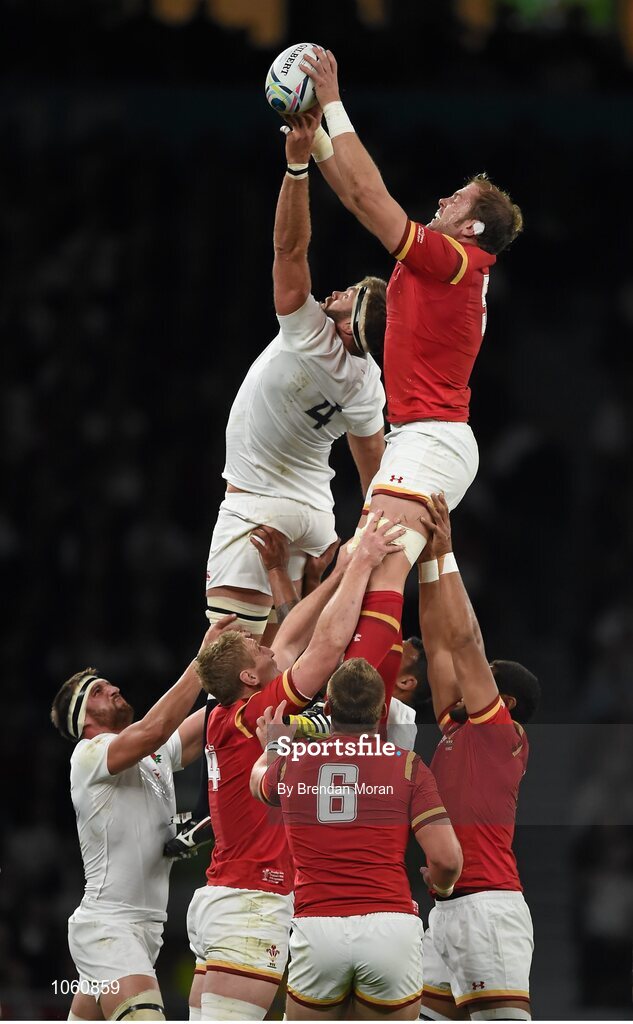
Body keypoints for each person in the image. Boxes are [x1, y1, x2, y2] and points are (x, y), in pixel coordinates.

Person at [298, 48, 524, 677]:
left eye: (459, 199)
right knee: (368, 568)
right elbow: (355, 196)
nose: (444, 199)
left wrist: (333, 102)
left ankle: (358, 709)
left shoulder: (455, 261)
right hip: (422, 439)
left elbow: (369, 196)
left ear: (473, 227)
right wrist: (315, 141)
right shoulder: (449, 264)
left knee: (374, 568)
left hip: (433, 437)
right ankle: (365, 703)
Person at [186, 515, 404, 1021]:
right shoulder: (255, 716)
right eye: (256, 648)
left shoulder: (223, 715)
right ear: (248, 677)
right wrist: (361, 562)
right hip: (253, 900)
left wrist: (330, 575)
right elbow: (323, 649)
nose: (268, 644)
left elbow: (288, 642)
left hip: (225, 894)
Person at [205, 111, 387, 637]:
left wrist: (297, 167)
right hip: (314, 519)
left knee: (224, 660)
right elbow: (374, 477)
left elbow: (289, 248)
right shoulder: (369, 384)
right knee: (279, 655)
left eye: (351, 295)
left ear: (350, 328)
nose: (339, 291)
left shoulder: (311, 333)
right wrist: (362, 548)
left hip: (256, 508)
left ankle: (128, 706)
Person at [49, 615, 241, 1023]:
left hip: (144, 930)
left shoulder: (155, 753)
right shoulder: (88, 755)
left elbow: (212, 720)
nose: (113, 688)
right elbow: (155, 728)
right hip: (108, 927)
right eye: (98, 691)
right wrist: (203, 659)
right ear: (84, 720)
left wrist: (243, 659)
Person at [250, 660, 463, 1021]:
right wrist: (441, 888)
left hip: (318, 926)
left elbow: (260, 784)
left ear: (328, 710)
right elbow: (447, 860)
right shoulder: (408, 765)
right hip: (389, 925)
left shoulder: (293, 762)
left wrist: (275, 745)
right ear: (381, 713)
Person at [417, 494, 540, 1021]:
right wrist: (427, 562)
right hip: (446, 909)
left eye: (486, 678)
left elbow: (465, 641)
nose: (472, 679)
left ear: (504, 702)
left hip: (489, 908)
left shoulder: (498, 733)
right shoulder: (459, 728)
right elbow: (439, 646)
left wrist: (448, 551)